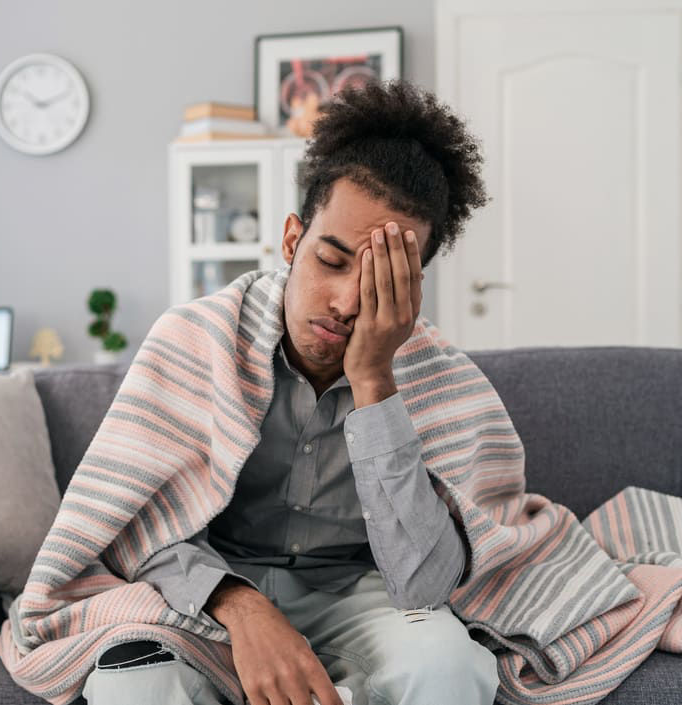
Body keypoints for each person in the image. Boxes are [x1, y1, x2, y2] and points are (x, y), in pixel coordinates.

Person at [82, 78, 498, 705]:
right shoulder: (194, 340)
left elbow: (424, 585)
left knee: (450, 666)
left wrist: (374, 381)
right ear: (291, 239)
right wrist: (240, 607)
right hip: (212, 584)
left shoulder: (438, 376)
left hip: (359, 593)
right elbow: (129, 525)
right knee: (132, 686)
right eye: (331, 261)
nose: (347, 303)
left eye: (383, 280)